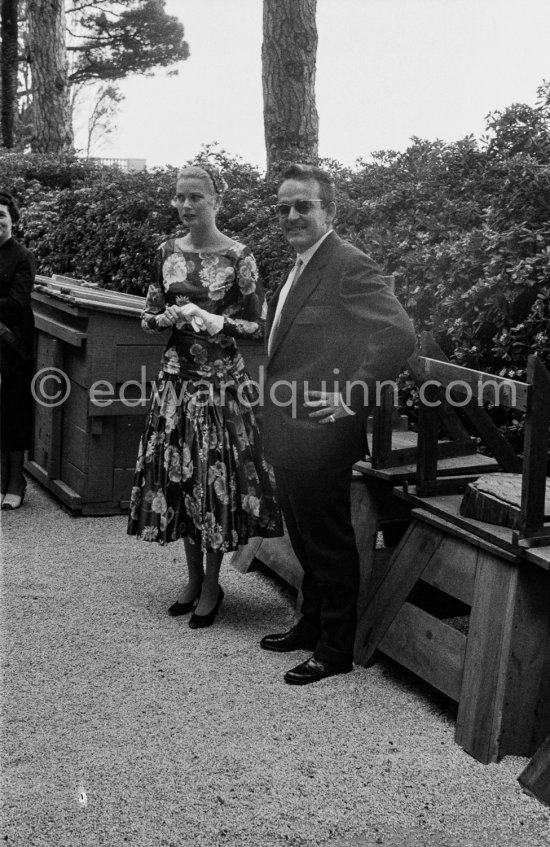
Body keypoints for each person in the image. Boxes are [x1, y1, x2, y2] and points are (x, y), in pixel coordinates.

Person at [261, 163, 415, 684]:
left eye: (303, 205)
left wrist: (353, 396)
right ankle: (310, 625)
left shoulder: (349, 264)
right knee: (302, 535)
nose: (292, 215)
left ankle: (334, 649)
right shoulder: (302, 263)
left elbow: (398, 335)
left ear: (330, 210)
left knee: (327, 541)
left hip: (322, 432)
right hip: (287, 426)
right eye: (283, 206)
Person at [127, 164, 282, 628]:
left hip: (220, 387)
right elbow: (147, 315)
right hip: (175, 383)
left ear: (217, 200)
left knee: (212, 481)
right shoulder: (166, 252)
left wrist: (218, 322)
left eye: (196, 196)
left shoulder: (240, 256)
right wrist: (168, 318)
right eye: (179, 197)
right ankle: (193, 579)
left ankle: (213, 584)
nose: (187, 205)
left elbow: (260, 326)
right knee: (179, 480)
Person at [0, 189, 35, 511]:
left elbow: (16, 303)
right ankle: (2, 480)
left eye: (1, 216)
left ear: (12, 222)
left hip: (13, 347)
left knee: (13, 413)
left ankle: (16, 482)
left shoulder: (22, 256)